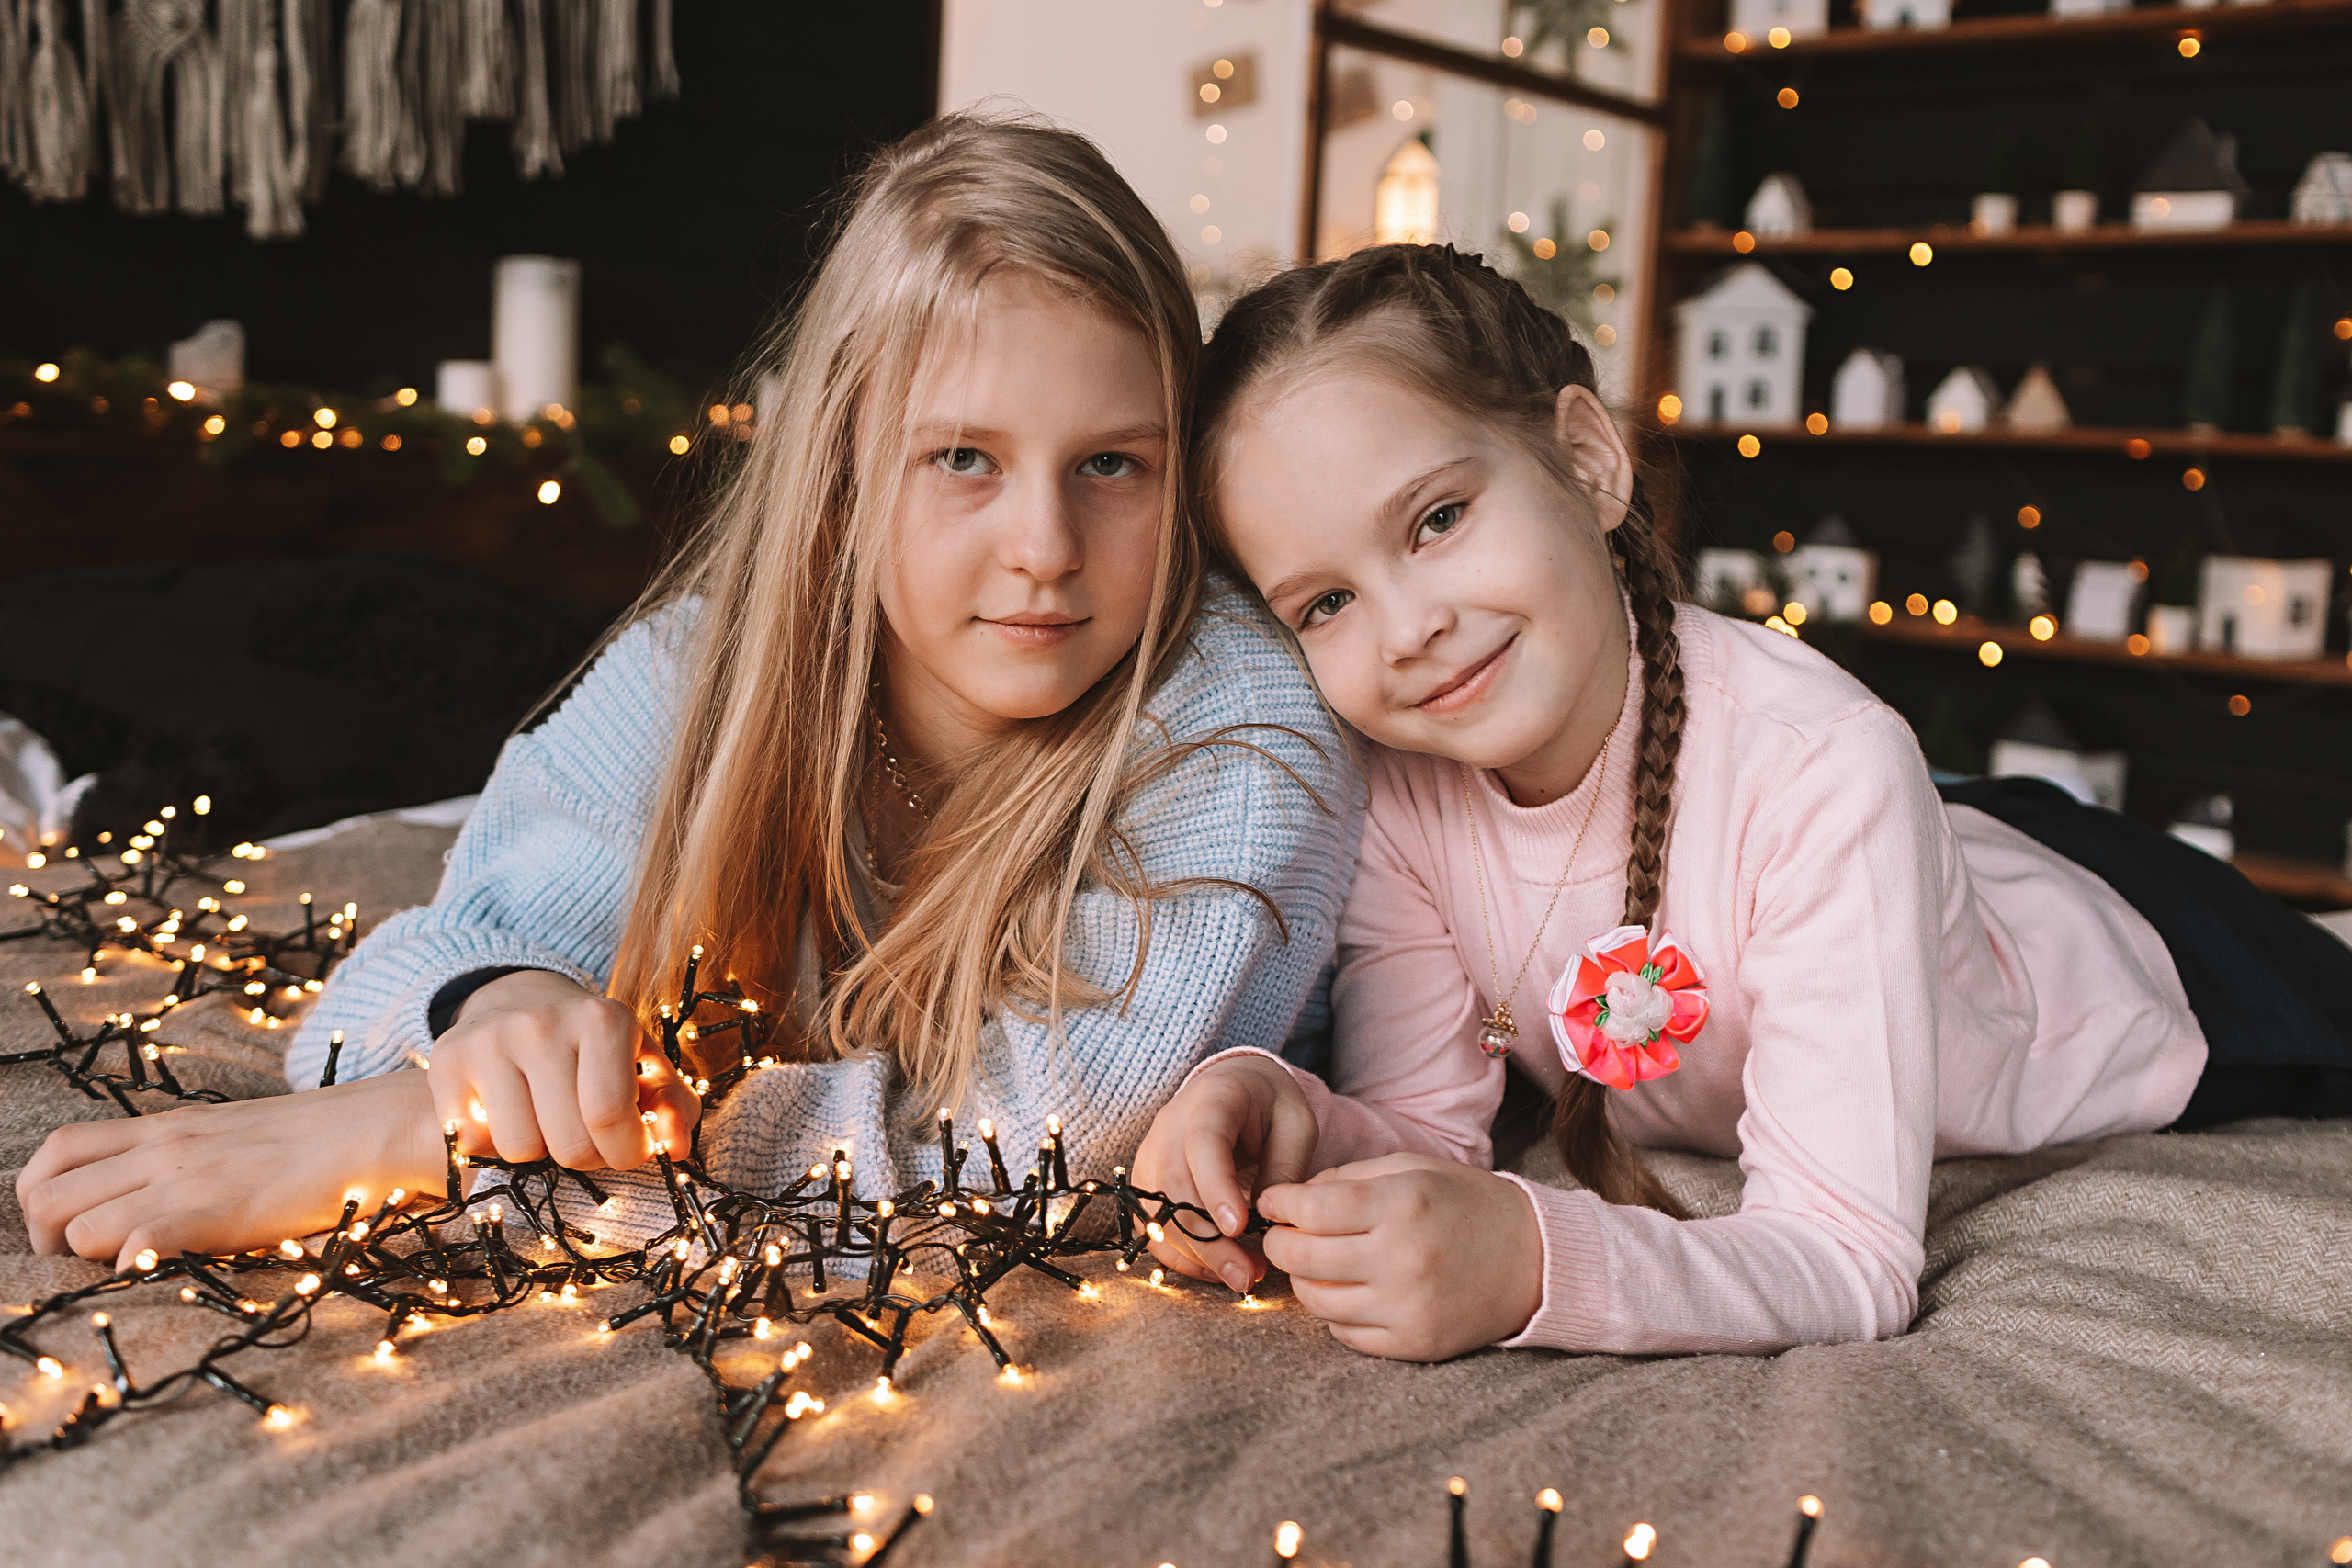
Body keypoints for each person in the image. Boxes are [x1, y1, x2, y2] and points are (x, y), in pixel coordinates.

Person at [17, 116, 1352, 1270]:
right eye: (962, 458)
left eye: (1114, 465)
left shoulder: (1247, 730)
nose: (1046, 546)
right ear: (838, 472)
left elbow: (1041, 1145)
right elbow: (399, 976)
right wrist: (505, 1015)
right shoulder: (710, 664)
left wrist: (431, 1132)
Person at [1132, 243, 2352, 1359]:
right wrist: (1270, 1108)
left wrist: (1534, 1261)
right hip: (1881, 836)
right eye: (1325, 604)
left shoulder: (1829, 767)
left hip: (2114, 959)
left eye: (1439, 519)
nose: (1409, 630)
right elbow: (1426, 1131)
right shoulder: (1400, 794)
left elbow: (1847, 1258)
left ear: (1589, 459)